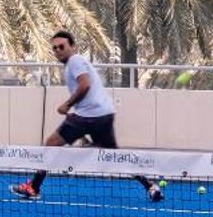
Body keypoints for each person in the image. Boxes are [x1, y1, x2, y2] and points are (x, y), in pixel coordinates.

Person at [11, 30, 162, 202]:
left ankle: (34, 188)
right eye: (55, 48)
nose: (58, 50)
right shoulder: (75, 63)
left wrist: (67, 105)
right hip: (103, 115)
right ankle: (150, 186)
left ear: (72, 47)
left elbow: (85, 85)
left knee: (51, 144)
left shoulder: (75, 61)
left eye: (62, 46)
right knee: (116, 155)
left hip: (88, 117)